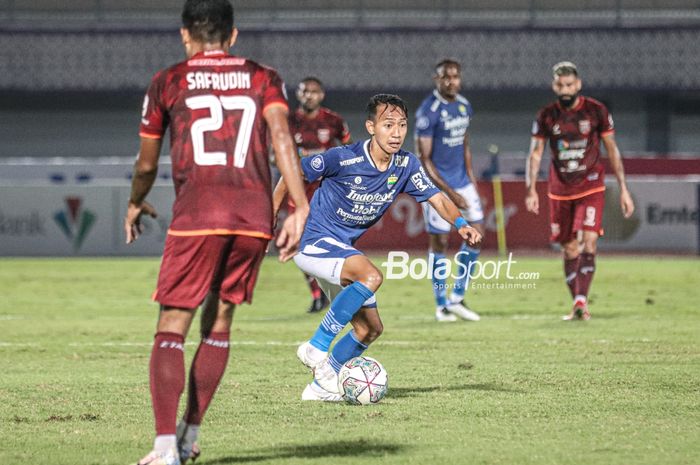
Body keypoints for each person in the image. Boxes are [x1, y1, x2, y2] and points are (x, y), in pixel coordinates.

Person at [123, 1, 309, 464]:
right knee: (220, 322)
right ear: (233, 35)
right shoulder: (263, 76)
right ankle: (190, 434)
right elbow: (282, 137)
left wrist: (134, 199)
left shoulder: (168, 80)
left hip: (197, 215)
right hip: (251, 217)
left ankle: (166, 446)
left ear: (186, 34)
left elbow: (147, 162)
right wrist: (299, 205)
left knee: (172, 325)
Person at [274, 94, 482, 401]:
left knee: (369, 329)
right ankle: (315, 347)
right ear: (371, 127)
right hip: (315, 243)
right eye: (388, 125)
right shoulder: (342, 158)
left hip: (340, 252)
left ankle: (321, 384)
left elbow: (436, 198)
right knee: (370, 275)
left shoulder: (405, 165)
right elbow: (291, 174)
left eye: (401, 125)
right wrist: (270, 220)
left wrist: (461, 224)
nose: (396, 133)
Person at [525, 61, 635, 321]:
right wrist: (530, 189)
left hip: (591, 185)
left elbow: (612, 150)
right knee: (569, 248)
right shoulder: (546, 115)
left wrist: (624, 190)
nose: (565, 89)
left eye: (569, 84)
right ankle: (577, 301)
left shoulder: (596, 111)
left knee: (589, 241)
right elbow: (535, 153)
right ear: (554, 86)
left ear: (578, 85)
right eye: (560, 85)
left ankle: (581, 301)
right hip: (560, 188)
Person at [415, 59, 484, 322]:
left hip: (463, 182)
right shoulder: (428, 111)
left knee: (477, 235)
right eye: (445, 77)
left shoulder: (464, 105)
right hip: (436, 186)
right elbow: (425, 159)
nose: (451, 81)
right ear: (437, 79)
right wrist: (450, 193)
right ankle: (441, 304)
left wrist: (470, 177)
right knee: (440, 242)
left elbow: (464, 142)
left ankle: (457, 297)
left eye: (455, 76)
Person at [288, 76, 352, 313]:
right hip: (298, 192)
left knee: (333, 242)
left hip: (327, 193)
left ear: (321, 95)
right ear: (299, 94)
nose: (309, 96)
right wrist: (296, 159)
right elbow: (274, 155)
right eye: (305, 91)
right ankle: (317, 294)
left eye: (314, 92)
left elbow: (349, 150)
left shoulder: (333, 121)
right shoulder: (287, 121)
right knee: (299, 245)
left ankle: (338, 289)